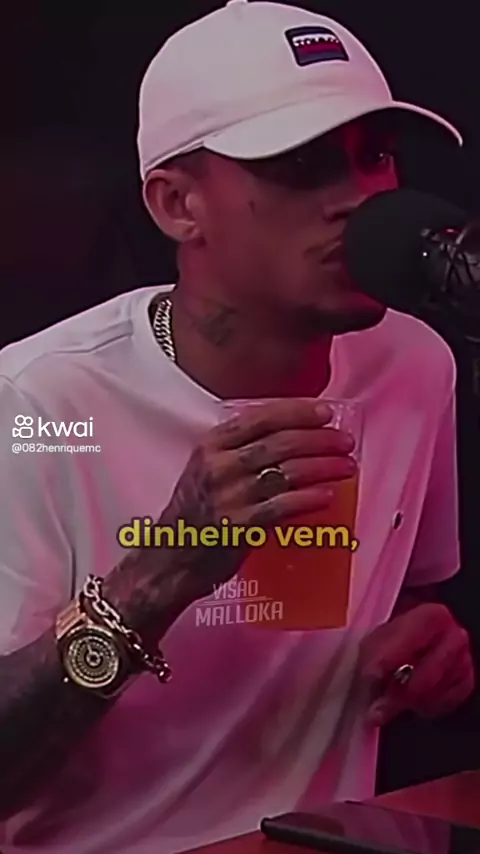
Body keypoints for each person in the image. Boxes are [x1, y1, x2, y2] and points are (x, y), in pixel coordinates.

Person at [0, 1, 474, 852]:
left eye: (374, 157)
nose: (359, 200)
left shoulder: (415, 366)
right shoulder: (36, 407)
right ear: (178, 204)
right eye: (301, 165)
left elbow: (408, 593)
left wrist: (427, 647)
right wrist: (166, 570)